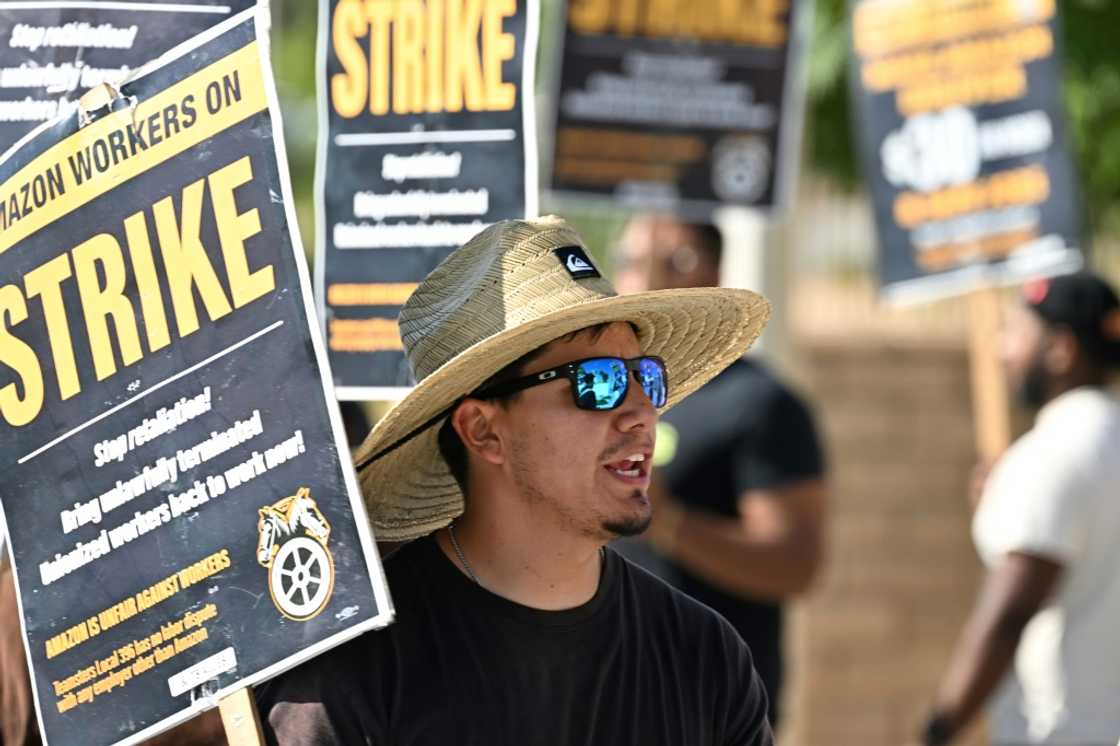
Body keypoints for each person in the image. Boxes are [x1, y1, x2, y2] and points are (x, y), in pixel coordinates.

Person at [256, 216, 775, 744]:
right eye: (598, 382)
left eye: (646, 377)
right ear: (483, 431)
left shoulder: (704, 657)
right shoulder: (352, 671)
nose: (642, 411)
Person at [612, 214, 827, 725]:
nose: (647, 278)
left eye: (674, 260)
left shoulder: (759, 404)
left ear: (715, 272)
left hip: (712, 708)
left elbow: (795, 563)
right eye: (631, 260)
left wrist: (667, 522)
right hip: (604, 700)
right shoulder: (602, 395)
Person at [920, 272, 1120, 745]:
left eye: (1013, 332)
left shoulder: (1053, 452)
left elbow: (1011, 611)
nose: (999, 351)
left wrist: (940, 725)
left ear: (1061, 349)